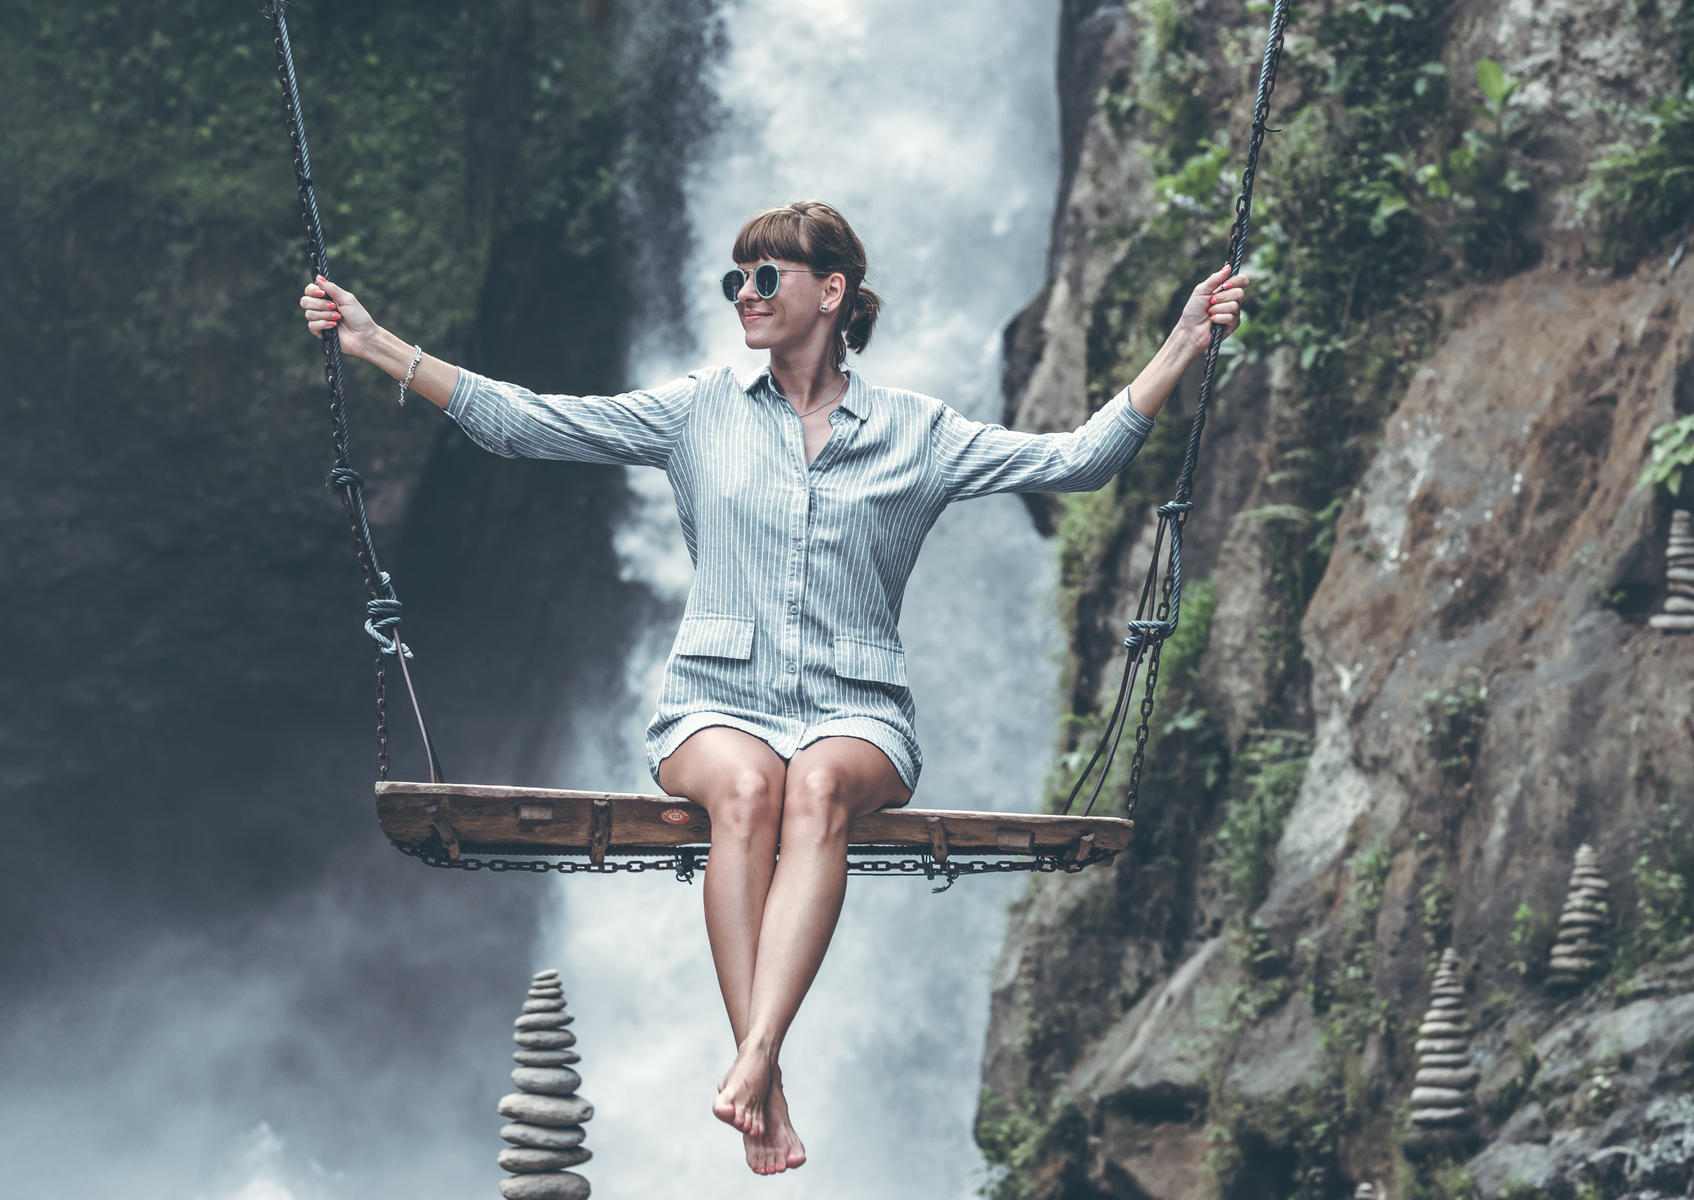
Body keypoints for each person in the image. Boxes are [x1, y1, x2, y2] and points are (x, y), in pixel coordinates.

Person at [298, 200, 1247, 1175]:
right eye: (735, 280)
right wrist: (375, 344)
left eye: (766, 278)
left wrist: (1183, 339)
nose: (744, 296)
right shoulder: (699, 409)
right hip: (713, 702)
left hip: (860, 710)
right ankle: (768, 1074)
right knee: (751, 790)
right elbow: (529, 425)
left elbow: (1078, 460)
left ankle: (753, 1058)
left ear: (830, 294)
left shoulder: (919, 433)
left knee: (817, 788)